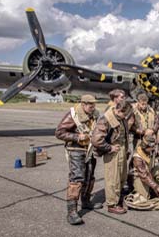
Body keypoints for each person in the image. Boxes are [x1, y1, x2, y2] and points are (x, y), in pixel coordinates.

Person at [55, 94, 102, 225]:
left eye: (94, 105)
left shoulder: (95, 114)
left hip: (90, 150)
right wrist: (76, 137)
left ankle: (86, 201)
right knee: (77, 179)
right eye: (90, 105)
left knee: (89, 177)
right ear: (83, 104)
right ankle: (72, 212)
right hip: (76, 150)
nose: (93, 107)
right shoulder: (73, 115)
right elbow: (59, 132)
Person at [91, 100, 134, 214]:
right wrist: (109, 148)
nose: (125, 117)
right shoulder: (106, 119)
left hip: (121, 151)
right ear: (119, 110)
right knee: (112, 179)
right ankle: (112, 204)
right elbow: (96, 139)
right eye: (124, 114)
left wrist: (126, 148)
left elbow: (124, 134)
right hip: (112, 152)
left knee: (122, 177)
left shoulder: (121, 118)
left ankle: (118, 198)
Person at [132, 132, 159, 200]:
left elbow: (155, 154)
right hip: (139, 177)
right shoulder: (137, 157)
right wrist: (157, 187)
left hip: (149, 171)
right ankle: (156, 190)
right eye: (152, 147)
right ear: (146, 147)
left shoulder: (149, 150)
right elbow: (144, 176)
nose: (154, 148)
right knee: (144, 199)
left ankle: (156, 192)